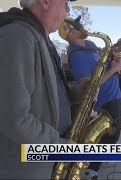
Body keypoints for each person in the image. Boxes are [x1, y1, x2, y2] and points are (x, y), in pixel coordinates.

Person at [0, 0, 84, 179]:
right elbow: (14, 118)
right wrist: (58, 145)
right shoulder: (18, 37)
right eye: (64, 2)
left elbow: (48, 93)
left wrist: (78, 93)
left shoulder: (42, 39)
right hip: (25, 168)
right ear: (45, 1)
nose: (68, 8)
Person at [58, 17, 121, 179]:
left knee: (114, 131)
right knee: (110, 133)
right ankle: (91, 169)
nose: (82, 29)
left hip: (115, 93)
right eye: (75, 28)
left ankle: (101, 156)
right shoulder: (76, 55)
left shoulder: (91, 45)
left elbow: (100, 65)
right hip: (105, 98)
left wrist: (112, 61)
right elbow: (89, 86)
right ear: (69, 35)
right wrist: (114, 69)